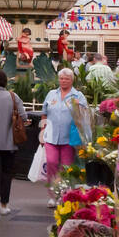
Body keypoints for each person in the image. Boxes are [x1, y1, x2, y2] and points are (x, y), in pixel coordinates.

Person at [41, 67, 90, 205]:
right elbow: (44, 113)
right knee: (51, 163)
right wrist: (42, 131)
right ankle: (52, 194)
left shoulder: (78, 96)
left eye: (66, 79)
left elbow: (85, 116)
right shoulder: (51, 94)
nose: (63, 81)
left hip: (69, 138)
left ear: (72, 80)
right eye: (61, 78)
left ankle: (63, 194)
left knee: (66, 167)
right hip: (51, 136)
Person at [0, 68, 22, 219]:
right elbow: (24, 115)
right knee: (6, 175)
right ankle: (4, 205)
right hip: (9, 144)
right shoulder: (13, 97)